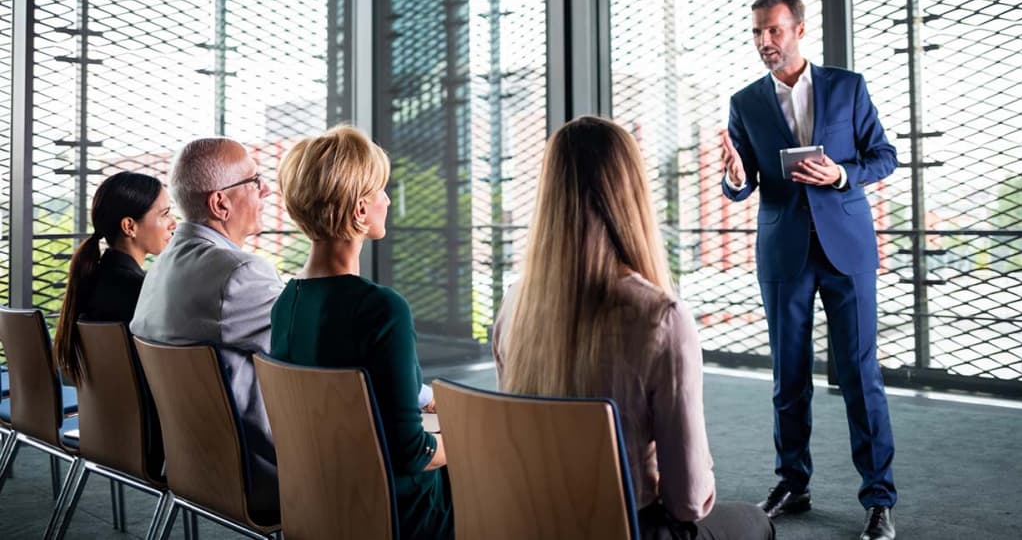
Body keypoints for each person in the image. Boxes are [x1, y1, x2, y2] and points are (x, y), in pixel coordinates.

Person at [494, 116, 773, 540]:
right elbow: (689, 501)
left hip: (531, 523)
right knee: (757, 523)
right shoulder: (661, 317)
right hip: (630, 528)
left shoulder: (515, 303)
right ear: (630, 195)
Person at [720, 0, 898, 540]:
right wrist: (732, 177)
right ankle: (792, 482)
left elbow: (883, 156)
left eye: (773, 31)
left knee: (861, 373)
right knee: (787, 375)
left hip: (846, 250)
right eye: (756, 33)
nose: (764, 42)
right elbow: (743, 183)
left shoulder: (848, 87)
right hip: (783, 252)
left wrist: (840, 175)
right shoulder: (745, 102)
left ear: (799, 28)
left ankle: (878, 498)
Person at [271, 126, 453, 540]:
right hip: (399, 513)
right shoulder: (380, 308)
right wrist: (472, 438)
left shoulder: (286, 304)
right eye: (381, 190)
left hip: (324, 504)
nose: (387, 199)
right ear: (359, 210)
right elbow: (411, 453)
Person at [131, 138, 282, 517]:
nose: (265, 189)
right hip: (260, 475)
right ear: (220, 203)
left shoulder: (160, 268)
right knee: (417, 459)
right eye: (254, 180)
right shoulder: (239, 274)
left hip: (193, 468)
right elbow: (322, 350)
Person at [54, 172, 176, 385]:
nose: (173, 223)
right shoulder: (142, 291)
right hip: (145, 416)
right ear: (130, 226)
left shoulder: (93, 279)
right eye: (164, 214)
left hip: (103, 416)